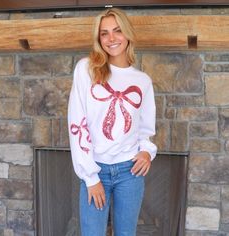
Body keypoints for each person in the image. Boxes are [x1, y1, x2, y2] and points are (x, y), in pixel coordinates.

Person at [67, 7, 157, 236]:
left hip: (130, 172)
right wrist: (90, 177)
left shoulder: (143, 81)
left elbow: (145, 130)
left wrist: (147, 151)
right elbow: (77, 123)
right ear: (99, 39)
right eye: (104, 33)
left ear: (127, 34)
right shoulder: (86, 69)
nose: (111, 38)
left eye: (117, 31)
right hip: (97, 171)